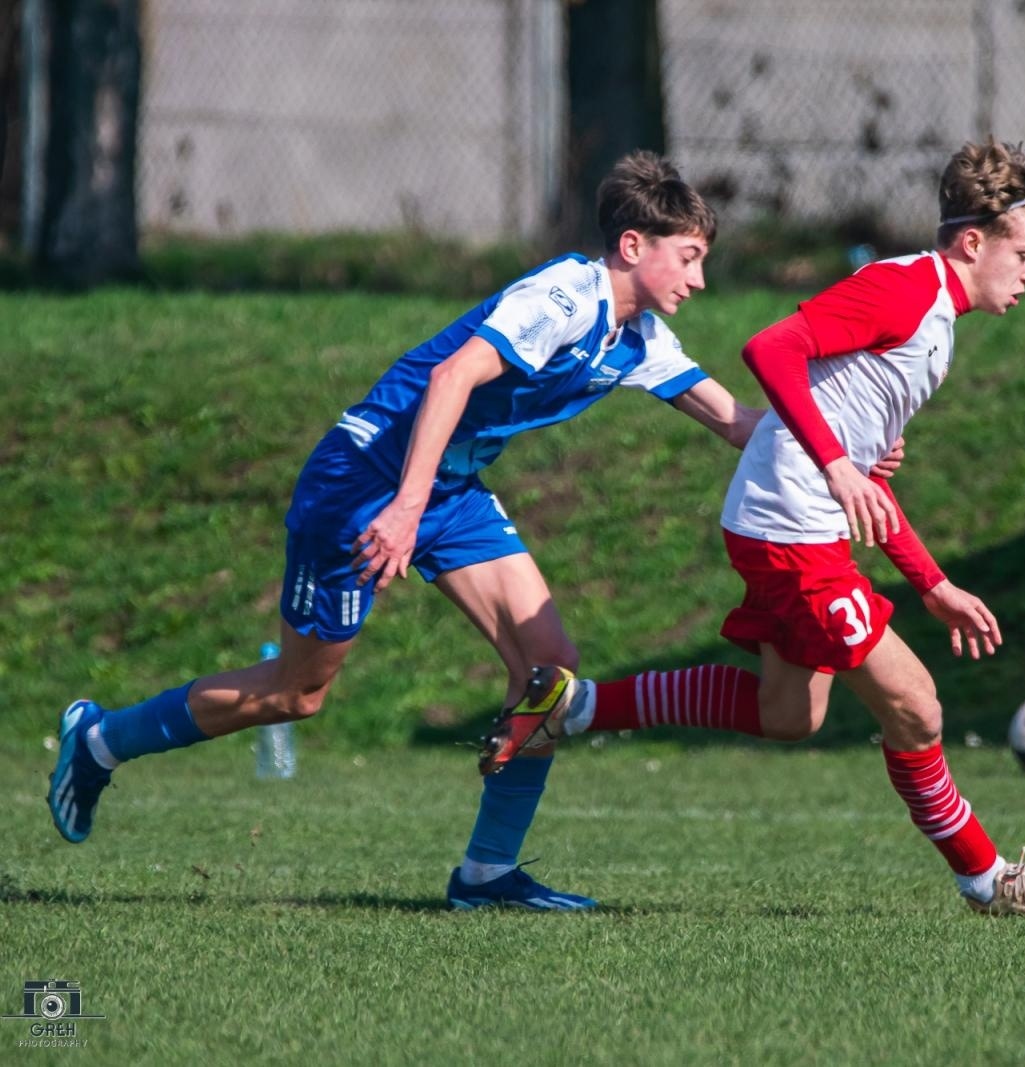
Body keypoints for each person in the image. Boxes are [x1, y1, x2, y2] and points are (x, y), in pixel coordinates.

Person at [47, 152, 803, 912]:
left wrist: (842, 447)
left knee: (548, 668)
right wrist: (405, 506)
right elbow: (451, 377)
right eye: (690, 257)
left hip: (446, 488)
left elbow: (739, 424)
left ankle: (486, 875)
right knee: (297, 693)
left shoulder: (639, 340)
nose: (699, 280)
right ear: (634, 246)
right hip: (364, 479)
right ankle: (102, 740)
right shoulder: (563, 297)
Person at [481, 140, 1025, 916]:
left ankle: (574, 708)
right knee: (914, 702)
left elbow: (863, 478)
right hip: (790, 531)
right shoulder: (907, 290)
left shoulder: (933, 317)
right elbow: (771, 347)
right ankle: (988, 878)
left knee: (788, 714)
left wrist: (931, 582)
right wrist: (837, 462)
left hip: (788, 523)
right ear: (974, 242)